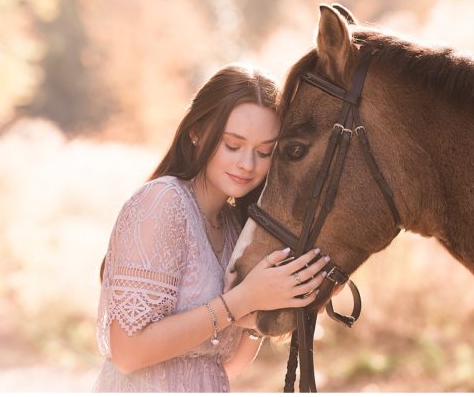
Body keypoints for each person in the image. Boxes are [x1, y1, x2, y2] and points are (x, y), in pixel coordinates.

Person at [92, 65, 331, 392]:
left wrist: (261, 311)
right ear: (197, 132)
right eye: (233, 145)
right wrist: (241, 301)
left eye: (264, 152)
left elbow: (220, 367)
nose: (247, 165)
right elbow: (129, 354)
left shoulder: (237, 228)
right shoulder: (162, 203)